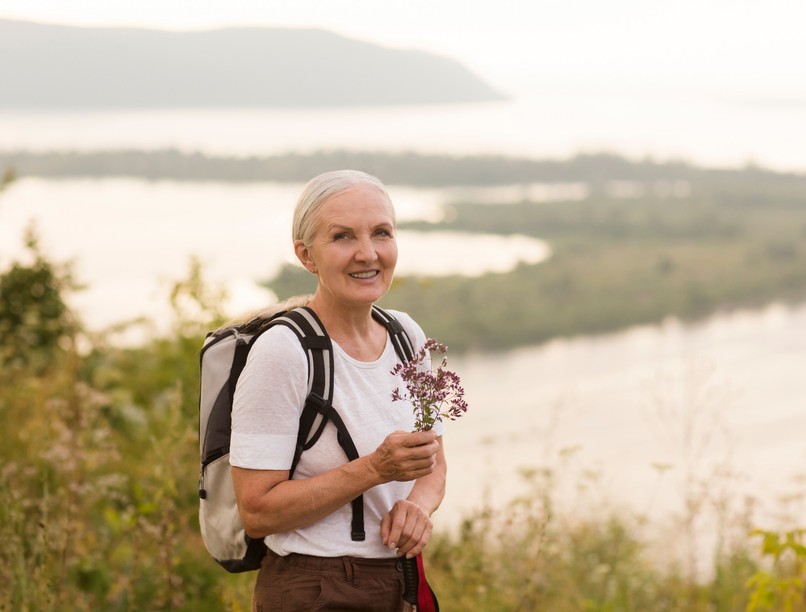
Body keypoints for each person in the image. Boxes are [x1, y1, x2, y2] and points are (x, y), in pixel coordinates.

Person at [230, 169, 447, 611]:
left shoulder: (406, 335)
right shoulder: (283, 352)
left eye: (381, 233)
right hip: (313, 587)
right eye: (343, 237)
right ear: (306, 256)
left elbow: (434, 462)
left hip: (397, 581)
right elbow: (256, 513)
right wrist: (375, 469)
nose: (367, 253)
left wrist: (418, 507)